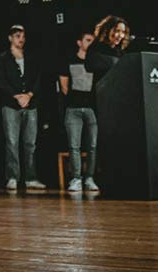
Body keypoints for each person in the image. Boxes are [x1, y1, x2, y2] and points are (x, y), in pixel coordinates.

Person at [0, 24, 47, 191]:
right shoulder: (3, 58)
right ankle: (12, 177)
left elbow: (38, 78)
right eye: (18, 36)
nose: (21, 39)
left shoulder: (31, 57)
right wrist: (17, 96)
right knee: (12, 142)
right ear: (10, 38)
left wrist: (29, 95)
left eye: (23, 36)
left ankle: (31, 178)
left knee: (30, 143)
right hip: (11, 105)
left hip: (30, 104)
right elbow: (1, 81)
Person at [59, 31, 99, 193]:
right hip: (73, 108)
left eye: (92, 41)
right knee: (74, 145)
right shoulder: (68, 61)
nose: (91, 43)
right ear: (79, 42)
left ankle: (89, 178)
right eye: (88, 40)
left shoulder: (96, 62)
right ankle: (76, 179)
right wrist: (75, 99)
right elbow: (64, 87)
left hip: (92, 109)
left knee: (93, 145)